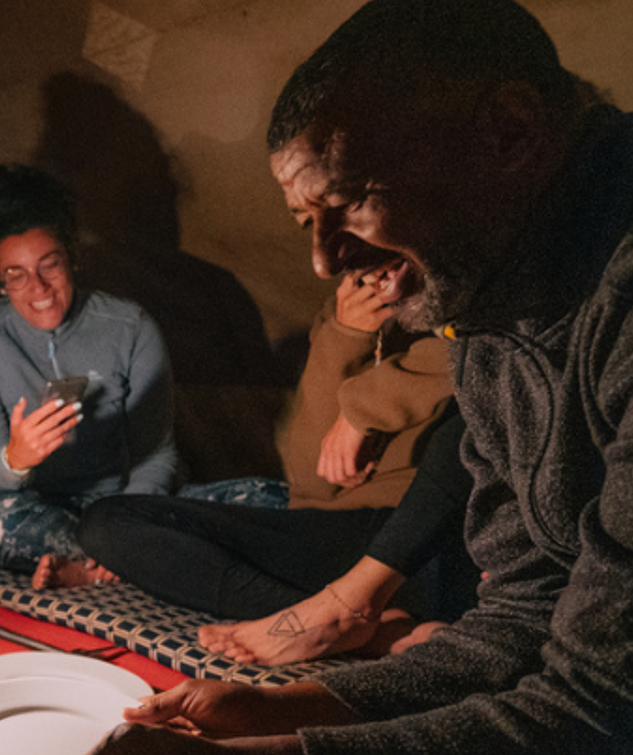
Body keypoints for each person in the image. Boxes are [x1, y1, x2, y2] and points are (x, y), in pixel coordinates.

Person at [34, 0, 633, 755]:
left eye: (349, 203)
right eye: (305, 223)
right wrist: (286, 709)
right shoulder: (489, 296)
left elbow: (599, 706)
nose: (323, 259)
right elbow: (519, 619)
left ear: (506, 131)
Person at [74, 269, 476, 662]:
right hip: (327, 539)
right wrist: (344, 335)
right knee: (106, 523)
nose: (327, 261)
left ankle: (343, 615)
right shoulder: (346, 314)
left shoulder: (480, 321)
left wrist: (363, 409)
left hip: (427, 544)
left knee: (469, 422)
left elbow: (478, 355)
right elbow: (312, 483)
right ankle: (345, 622)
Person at [0, 164, 178, 585]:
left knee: (266, 501)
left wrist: (130, 528)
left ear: (71, 257)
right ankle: (119, 564)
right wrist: (16, 459)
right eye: (16, 276)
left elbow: (157, 454)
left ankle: (94, 566)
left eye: (49, 266)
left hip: (123, 507)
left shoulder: (130, 326)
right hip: (38, 514)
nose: (39, 288)